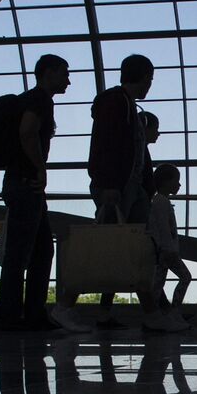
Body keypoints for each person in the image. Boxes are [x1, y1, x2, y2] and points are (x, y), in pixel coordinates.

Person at [52, 54, 184, 332]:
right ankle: (64, 306)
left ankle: (148, 311)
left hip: (127, 188)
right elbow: (108, 145)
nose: (150, 84)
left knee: (133, 250)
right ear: (144, 76)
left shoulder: (126, 106)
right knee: (116, 249)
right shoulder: (116, 104)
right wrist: (110, 184)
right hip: (119, 188)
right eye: (150, 78)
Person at [0, 54, 71, 333]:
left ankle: (30, 314)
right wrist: (40, 169)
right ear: (48, 73)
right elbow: (28, 132)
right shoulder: (39, 100)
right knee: (21, 253)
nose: (68, 80)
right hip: (27, 183)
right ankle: (13, 317)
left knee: (41, 250)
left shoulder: (33, 99)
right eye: (64, 74)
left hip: (22, 183)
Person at [95, 109, 162, 329]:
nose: (157, 134)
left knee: (123, 256)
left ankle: (154, 310)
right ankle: (156, 311)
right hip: (131, 207)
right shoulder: (136, 161)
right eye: (155, 129)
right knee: (132, 255)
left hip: (130, 202)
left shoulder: (138, 157)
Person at [148, 163, 192, 316]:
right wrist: (169, 249)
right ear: (166, 182)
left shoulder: (160, 201)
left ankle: (158, 313)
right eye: (176, 180)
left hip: (164, 251)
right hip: (166, 251)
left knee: (158, 284)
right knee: (182, 278)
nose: (179, 184)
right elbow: (163, 229)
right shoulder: (161, 202)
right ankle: (170, 311)